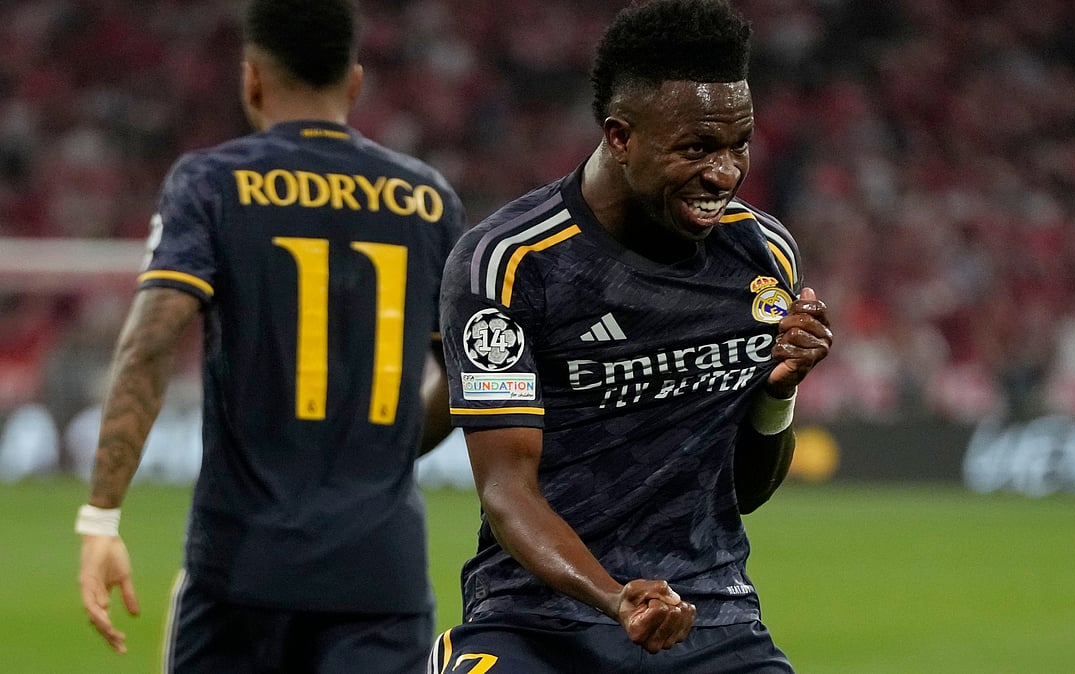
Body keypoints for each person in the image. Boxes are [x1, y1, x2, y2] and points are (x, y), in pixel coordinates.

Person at [432, 0, 832, 671]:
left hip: (713, 618)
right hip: (537, 621)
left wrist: (778, 394)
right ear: (620, 137)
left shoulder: (763, 254)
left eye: (739, 144)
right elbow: (507, 491)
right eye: (696, 148)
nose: (725, 174)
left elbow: (745, 493)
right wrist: (616, 598)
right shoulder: (510, 262)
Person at [75, 1, 465, 671]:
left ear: (251, 78)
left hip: (242, 571)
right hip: (380, 576)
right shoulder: (429, 199)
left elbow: (149, 343)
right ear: (354, 82)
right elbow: (466, 372)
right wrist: (386, 447)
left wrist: (101, 516)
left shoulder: (211, 183)